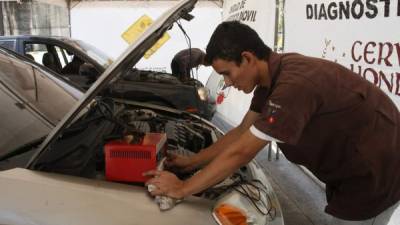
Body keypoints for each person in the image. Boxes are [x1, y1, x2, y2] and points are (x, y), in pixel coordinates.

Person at [145, 21, 400, 224]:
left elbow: (243, 152)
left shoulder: (293, 85)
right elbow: (242, 133)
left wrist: (182, 188)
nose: (229, 82)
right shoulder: (271, 81)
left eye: (227, 73)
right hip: (351, 166)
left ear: (247, 58)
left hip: (376, 175)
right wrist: (191, 161)